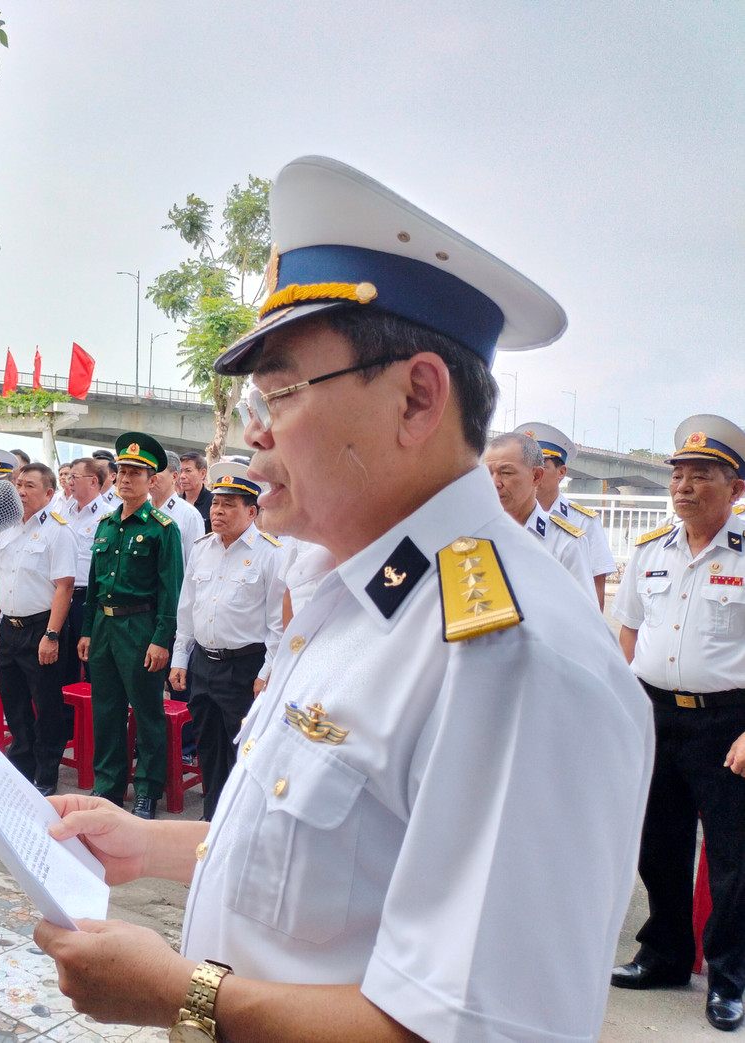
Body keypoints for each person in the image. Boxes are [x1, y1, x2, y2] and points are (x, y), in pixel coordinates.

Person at [35, 156, 651, 1042]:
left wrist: (181, 995)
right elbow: (323, 860)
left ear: (417, 398)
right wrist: (147, 843)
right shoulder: (354, 594)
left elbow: (475, 1028)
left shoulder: (510, 658)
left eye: (281, 391)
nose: (252, 431)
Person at [610, 414, 745, 1032]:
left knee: (732, 859)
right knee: (656, 844)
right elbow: (630, 633)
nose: (684, 487)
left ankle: (730, 980)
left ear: (735, 488)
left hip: (728, 725)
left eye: (702, 477)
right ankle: (664, 956)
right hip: (655, 715)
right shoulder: (649, 554)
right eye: (679, 476)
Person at [168, 459, 288, 820]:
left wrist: (267, 672)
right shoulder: (202, 548)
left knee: (244, 752)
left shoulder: (270, 554)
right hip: (204, 664)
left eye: (229, 505)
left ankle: (241, 825)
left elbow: (277, 625)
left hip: (245, 669)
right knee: (209, 748)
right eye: (216, 502)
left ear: (251, 511)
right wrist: (179, 657)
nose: (217, 511)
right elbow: (187, 607)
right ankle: (211, 820)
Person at [77, 432, 184, 819]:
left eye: (136, 472)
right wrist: (87, 629)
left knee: (146, 710)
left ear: (152, 480)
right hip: (105, 628)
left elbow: (170, 591)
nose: (126, 478)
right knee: (106, 709)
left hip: (140, 627)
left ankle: (147, 789)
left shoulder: (162, 528)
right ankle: (108, 785)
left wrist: (161, 640)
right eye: (122, 470)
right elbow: (94, 584)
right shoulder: (105, 525)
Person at [0, 462, 76, 796]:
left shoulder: (58, 530)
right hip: (9, 626)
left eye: (30, 486)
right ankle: (21, 763)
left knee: (47, 704)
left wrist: (51, 635)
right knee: (15, 701)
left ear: (50, 493)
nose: (21, 492)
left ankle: (46, 771)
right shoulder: (7, 527)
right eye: (18, 485)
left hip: (41, 628)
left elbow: (64, 587)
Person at [518, 421, 618, 609]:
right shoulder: (508, 516)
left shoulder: (584, 521)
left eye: (541, 466)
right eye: (524, 466)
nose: (532, 474)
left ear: (561, 472)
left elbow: (596, 587)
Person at [483, 431, 595, 597]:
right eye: (488, 473)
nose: (495, 483)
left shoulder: (565, 544)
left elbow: (585, 616)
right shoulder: (472, 534)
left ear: (536, 476)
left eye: (506, 473)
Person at [62, 456, 108, 687]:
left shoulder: (109, 515)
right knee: (63, 665)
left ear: (92, 481)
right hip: (60, 596)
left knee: (93, 663)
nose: (69, 481)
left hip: (89, 598)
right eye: (68, 477)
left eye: (74, 477)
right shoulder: (61, 511)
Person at [149, 451, 205, 566]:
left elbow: (194, 564)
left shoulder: (189, 515)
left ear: (174, 476)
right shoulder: (140, 510)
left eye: (157, 472)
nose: (152, 477)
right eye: (149, 472)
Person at [177, 450, 213, 534]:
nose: (182, 476)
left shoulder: (213, 503)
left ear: (202, 473)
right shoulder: (176, 502)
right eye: (180, 471)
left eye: (188, 471)